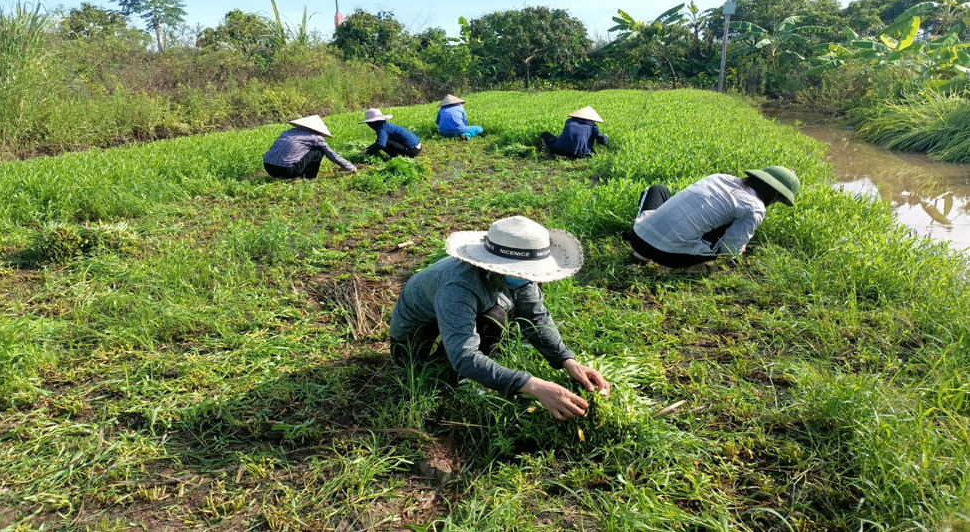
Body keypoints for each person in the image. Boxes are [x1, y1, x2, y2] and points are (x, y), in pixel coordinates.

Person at [390, 215, 611, 421]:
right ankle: (456, 380)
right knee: (493, 319)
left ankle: (486, 372)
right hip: (417, 345)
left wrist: (566, 360)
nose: (530, 278)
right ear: (498, 264)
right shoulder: (457, 287)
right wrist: (532, 385)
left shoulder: (519, 276)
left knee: (501, 314)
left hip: (449, 325)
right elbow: (464, 356)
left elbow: (535, 317)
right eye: (524, 271)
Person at [622, 166, 801, 269]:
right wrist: (741, 248)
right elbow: (731, 249)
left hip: (637, 237)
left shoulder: (720, 177)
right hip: (669, 256)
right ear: (775, 196)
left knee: (657, 190)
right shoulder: (755, 207)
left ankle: (642, 254)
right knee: (727, 229)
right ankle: (693, 266)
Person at [263, 115, 357, 180]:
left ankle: (300, 174)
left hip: (268, 167)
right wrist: (350, 167)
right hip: (287, 171)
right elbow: (331, 154)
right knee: (318, 151)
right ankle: (308, 178)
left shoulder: (288, 132)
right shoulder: (315, 137)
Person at [540, 106, 608, 159]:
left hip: (559, 149)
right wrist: (605, 137)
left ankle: (549, 154)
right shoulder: (593, 126)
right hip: (580, 154)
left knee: (545, 134)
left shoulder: (569, 121)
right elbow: (602, 141)